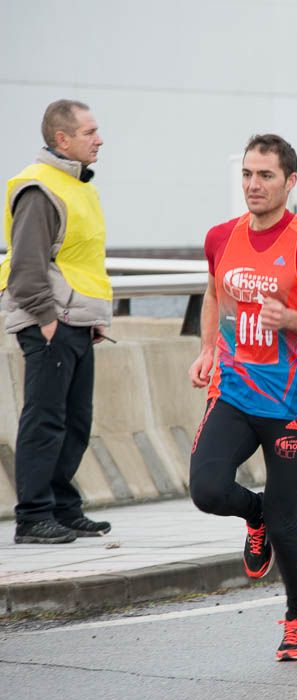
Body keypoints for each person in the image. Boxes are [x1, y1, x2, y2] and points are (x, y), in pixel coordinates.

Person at [188, 134, 297, 661]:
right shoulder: (220, 237)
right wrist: (209, 348)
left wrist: (294, 319)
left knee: (286, 526)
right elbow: (214, 291)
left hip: (289, 405)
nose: (254, 185)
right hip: (233, 392)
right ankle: (253, 514)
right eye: (248, 175)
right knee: (207, 490)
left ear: (290, 181)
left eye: (266, 176)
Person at [1, 99, 113, 544]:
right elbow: (26, 266)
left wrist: (92, 317)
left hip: (76, 321)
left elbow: (77, 259)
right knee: (46, 420)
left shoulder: (78, 185)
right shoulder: (40, 189)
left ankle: (64, 509)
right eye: (89, 132)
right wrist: (48, 320)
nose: (99, 138)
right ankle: (33, 517)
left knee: (75, 421)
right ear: (62, 139)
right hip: (50, 322)